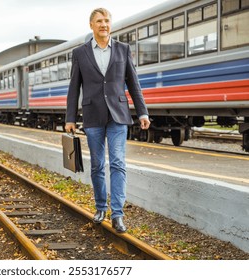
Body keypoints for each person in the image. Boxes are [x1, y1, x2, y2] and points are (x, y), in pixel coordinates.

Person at [65, 8, 150, 233]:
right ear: (91, 25)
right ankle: (101, 207)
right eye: (99, 21)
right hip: (92, 115)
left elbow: (133, 82)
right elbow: (74, 87)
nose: (104, 24)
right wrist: (70, 118)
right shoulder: (80, 53)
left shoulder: (123, 49)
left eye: (107, 21)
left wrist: (142, 112)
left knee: (117, 163)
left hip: (118, 115)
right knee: (97, 165)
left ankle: (118, 214)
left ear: (110, 24)